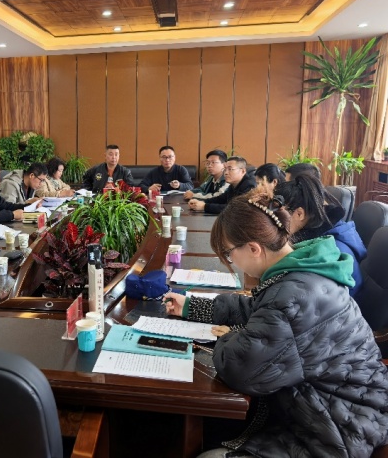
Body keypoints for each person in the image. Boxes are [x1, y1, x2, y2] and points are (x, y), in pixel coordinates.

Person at [164, 191, 388, 458]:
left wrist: (230, 335)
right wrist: (192, 306)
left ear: (253, 248)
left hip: (336, 430)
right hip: (338, 405)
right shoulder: (302, 266)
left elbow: (240, 368)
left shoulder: (292, 296)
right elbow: (254, 309)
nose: (231, 261)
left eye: (229, 253)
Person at [275, 174, 366, 297]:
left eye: (279, 216)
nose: (276, 222)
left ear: (300, 214)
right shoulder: (319, 232)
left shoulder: (332, 251)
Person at [189, 157, 256, 214]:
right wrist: (201, 202)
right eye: (225, 169)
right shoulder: (233, 184)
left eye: (230, 169)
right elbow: (220, 199)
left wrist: (204, 206)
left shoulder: (249, 186)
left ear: (243, 171)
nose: (226, 173)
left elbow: (236, 209)